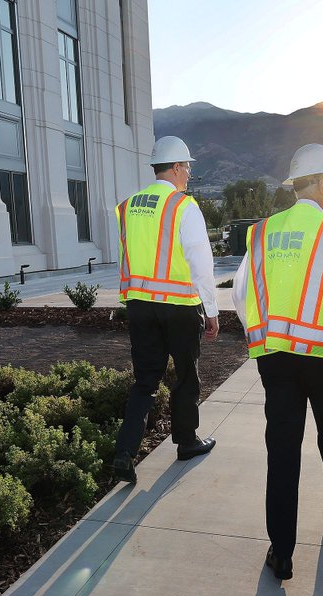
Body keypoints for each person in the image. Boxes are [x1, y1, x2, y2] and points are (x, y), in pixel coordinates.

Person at [232, 144, 323, 581]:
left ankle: (281, 551)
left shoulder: (263, 232)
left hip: (275, 358)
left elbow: (240, 290)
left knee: (282, 451)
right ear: (322, 182)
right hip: (322, 357)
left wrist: (261, 336)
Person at [112, 136, 220, 484]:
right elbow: (201, 262)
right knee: (186, 377)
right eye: (187, 166)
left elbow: (129, 255)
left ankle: (124, 454)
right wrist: (212, 309)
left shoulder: (127, 206)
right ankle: (186, 442)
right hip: (178, 307)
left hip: (140, 306)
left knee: (144, 381)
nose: (188, 173)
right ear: (175, 167)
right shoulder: (182, 205)